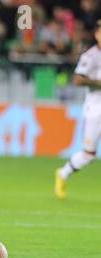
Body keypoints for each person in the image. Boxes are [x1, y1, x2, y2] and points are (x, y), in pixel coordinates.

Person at [55, 20, 101, 200]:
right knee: (88, 154)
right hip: (95, 108)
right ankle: (63, 174)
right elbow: (78, 79)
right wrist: (98, 83)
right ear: (97, 35)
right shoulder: (90, 56)